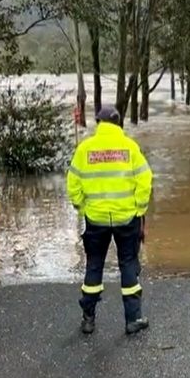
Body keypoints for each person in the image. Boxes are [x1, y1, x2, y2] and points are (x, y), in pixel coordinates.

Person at [67, 106, 153, 335]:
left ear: (98, 123)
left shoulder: (85, 148)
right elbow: (145, 180)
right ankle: (133, 319)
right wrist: (140, 208)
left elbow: (73, 183)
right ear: (118, 122)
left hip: (95, 218)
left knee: (94, 265)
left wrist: (81, 206)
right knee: (128, 265)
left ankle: (88, 319)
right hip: (127, 218)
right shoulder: (130, 147)